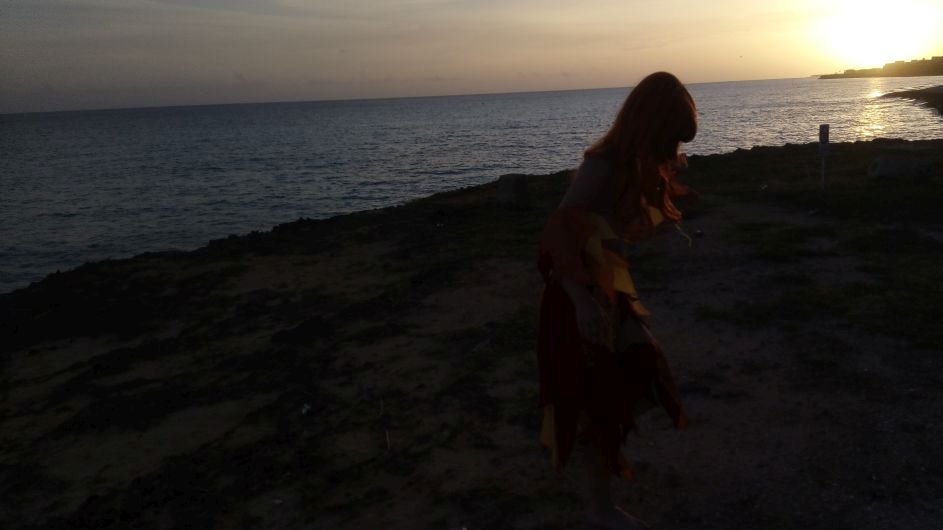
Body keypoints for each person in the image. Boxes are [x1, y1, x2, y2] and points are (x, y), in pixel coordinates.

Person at [535, 72, 696, 529]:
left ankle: (602, 490)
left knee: (640, 370)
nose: (672, 149)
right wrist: (582, 302)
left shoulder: (630, 165)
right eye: (671, 137)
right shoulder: (601, 166)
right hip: (577, 301)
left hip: (607, 294)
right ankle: (601, 510)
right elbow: (557, 237)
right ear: (651, 124)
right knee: (598, 403)